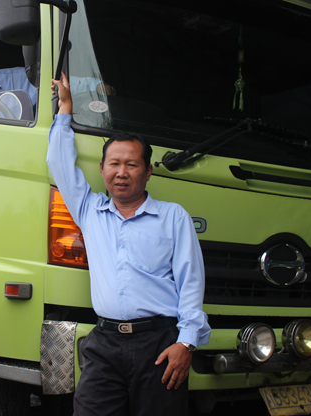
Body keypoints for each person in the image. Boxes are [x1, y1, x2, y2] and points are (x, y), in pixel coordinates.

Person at [47, 73, 210, 416]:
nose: (122, 172)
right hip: (105, 342)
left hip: (160, 343)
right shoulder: (90, 210)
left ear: (148, 172)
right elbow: (59, 164)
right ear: (103, 168)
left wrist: (186, 342)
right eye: (114, 164)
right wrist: (65, 110)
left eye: (132, 165)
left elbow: (191, 283)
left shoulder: (173, 217)